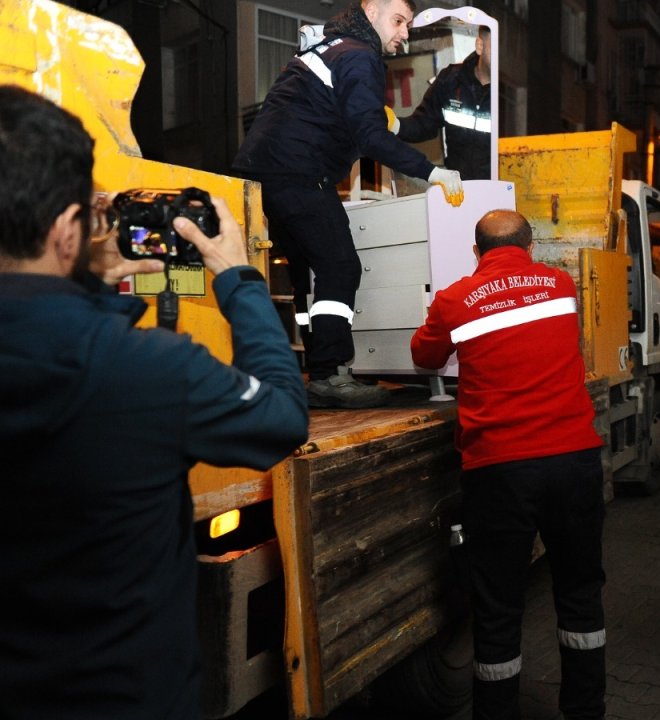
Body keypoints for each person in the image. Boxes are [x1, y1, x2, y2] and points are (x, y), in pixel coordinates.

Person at [0, 85, 309, 719]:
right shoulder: (146, 369)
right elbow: (280, 418)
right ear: (65, 230)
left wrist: (89, 288)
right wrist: (235, 276)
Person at [410, 210, 607, 719]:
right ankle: (585, 710)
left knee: (498, 607)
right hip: (573, 460)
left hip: (500, 469)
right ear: (531, 246)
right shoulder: (561, 283)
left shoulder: (455, 298)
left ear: (476, 252)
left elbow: (425, 357)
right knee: (580, 592)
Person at [234, 0, 464, 409]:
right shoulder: (360, 56)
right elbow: (371, 137)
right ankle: (330, 375)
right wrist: (433, 173)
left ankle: (317, 369)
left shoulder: (331, 46)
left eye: (408, 25)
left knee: (307, 273)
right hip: (299, 171)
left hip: (263, 172)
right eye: (398, 21)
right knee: (340, 266)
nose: (404, 33)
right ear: (371, 10)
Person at [397, 24, 493, 180]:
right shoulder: (451, 80)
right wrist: (394, 125)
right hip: (459, 191)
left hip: (500, 191)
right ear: (480, 45)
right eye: (497, 46)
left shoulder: (505, 95)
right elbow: (423, 124)